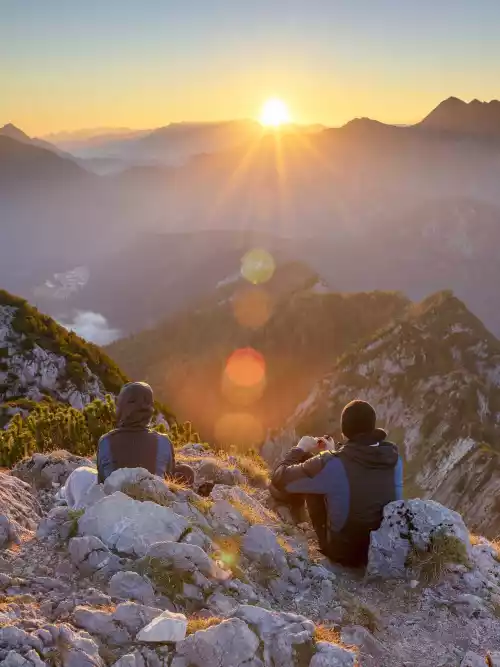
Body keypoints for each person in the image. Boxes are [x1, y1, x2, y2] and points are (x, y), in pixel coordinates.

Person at [270, 399, 403, 567]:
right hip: (379, 551)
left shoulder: (332, 463)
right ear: (373, 427)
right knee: (332, 481)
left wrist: (300, 448)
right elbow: (358, 473)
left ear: (344, 432)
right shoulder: (394, 459)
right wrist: (333, 453)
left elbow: (279, 478)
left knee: (310, 471)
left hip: (344, 553)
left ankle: (294, 516)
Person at [97, 381, 194, 486]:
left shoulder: (105, 441)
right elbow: (168, 479)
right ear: (149, 410)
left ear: (122, 408)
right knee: (187, 471)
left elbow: (101, 483)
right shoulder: (163, 442)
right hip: (154, 499)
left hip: (113, 499)